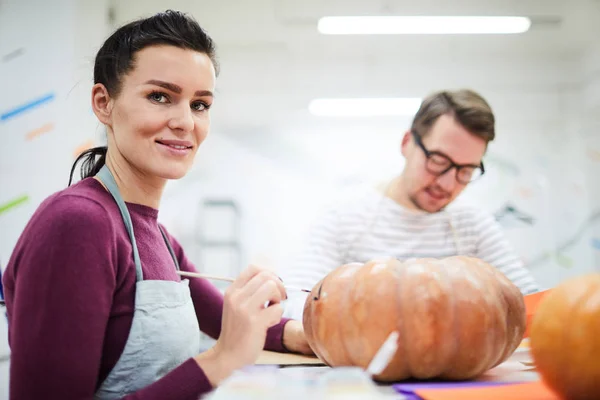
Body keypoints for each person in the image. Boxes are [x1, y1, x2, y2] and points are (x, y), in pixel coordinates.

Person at [2, 10, 311, 400]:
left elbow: (225, 319)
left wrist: (312, 335)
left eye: (200, 104)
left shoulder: (158, 237)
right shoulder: (77, 223)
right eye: (159, 96)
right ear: (103, 103)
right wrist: (221, 360)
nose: (185, 122)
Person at [282, 89, 540, 320]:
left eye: (466, 171)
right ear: (407, 143)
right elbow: (295, 303)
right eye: (439, 160)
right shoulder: (344, 216)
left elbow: (527, 303)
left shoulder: (473, 224)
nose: (448, 184)